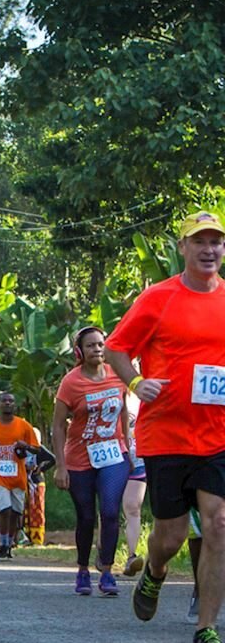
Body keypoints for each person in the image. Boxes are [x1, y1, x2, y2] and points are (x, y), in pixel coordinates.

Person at [105, 210, 225, 643]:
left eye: (216, 241)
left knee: (218, 524)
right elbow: (117, 348)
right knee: (170, 535)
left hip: (217, 435)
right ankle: (155, 571)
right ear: (183, 248)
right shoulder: (159, 298)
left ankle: (206, 626)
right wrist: (137, 381)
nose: (209, 249)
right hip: (166, 434)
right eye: (200, 241)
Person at [52, 326, 130, 595]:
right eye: (90, 346)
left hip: (113, 454)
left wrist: (128, 448)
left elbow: (123, 413)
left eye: (101, 344)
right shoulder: (71, 382)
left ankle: (107, 571)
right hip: (80, 458)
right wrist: (61, 466)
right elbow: (58, 426)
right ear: (80, 352)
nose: (97, 349)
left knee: (109, 512)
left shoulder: (118, 375)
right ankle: (83, 569)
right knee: (86, 517)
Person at [0, 392, 39, 560]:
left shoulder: (23, 426)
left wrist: (26, 446)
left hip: (18, 477)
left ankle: (9, 543)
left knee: (15, 511)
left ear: (15, 405)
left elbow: (36, 448)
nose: (8, 403)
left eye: (11, 401)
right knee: (4, 508)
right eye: (4, 401)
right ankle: (3, 543)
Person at [121, 391, 146, 576]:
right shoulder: (110, 386)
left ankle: (131, 556)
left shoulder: (147, 393)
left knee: (133, 507)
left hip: (138, 460)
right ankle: (103, 551)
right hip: (113, 458)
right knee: (109, 510)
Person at [23, 428, 55, 546]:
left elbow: (53, 459)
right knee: (26, 509)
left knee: (37, 510)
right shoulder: (24, 449)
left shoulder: (40, 450)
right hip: (25, 482)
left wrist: (41, 469)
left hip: (37, 483)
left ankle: (37, 539)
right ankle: (26, 536)